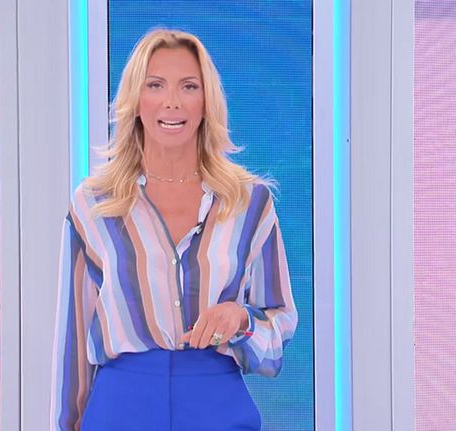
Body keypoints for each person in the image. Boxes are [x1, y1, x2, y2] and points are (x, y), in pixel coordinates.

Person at [50, 28, 297, 431]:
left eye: (188, 86)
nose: (172, 102)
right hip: (119, 410)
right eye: (155, 85)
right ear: (135, 101)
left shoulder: (249, 202)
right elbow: (72, 345)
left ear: (206, 102)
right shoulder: (93, 204)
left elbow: (278, 332)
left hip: (217, 407)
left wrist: (240, 320)